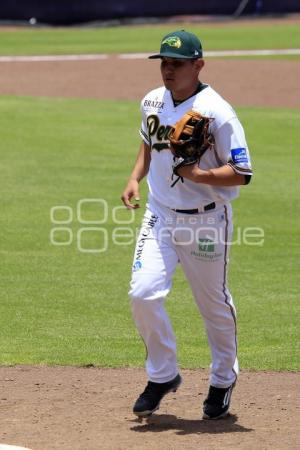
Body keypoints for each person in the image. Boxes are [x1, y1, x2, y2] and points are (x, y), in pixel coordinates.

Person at [121, 30, 252, 420]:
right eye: (163, 61)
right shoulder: (152, 100)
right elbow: (149, 142)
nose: (167, 69)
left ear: (198, 65)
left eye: (176, 63)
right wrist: (135, 177)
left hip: (207, 220)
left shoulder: (219, 112)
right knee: (143, 294)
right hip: (160, 214)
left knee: (213, 305)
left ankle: (222, 379)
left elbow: (242, 173)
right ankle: (163, 375)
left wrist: (197, 174)